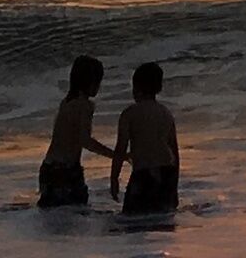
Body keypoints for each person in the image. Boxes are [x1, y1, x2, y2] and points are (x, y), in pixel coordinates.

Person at [36, 55, 120, 209]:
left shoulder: (66, 102)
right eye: (97, 82)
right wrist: (116, 155)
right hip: (66, 171)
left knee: (52, 216)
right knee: (75, 216)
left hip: (48, 168)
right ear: (89, 82)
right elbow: (85, 140)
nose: (98, 87)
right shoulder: (85, 105)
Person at [112, 62, 181, 217]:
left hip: (144, 173)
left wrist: (114, 178)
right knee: (162, 220)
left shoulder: (129, 113)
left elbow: (120, 148)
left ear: (136, 88)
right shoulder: (166, 113)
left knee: (133, 219)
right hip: (166, 172)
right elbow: (175, 152)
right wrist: (174, 186)